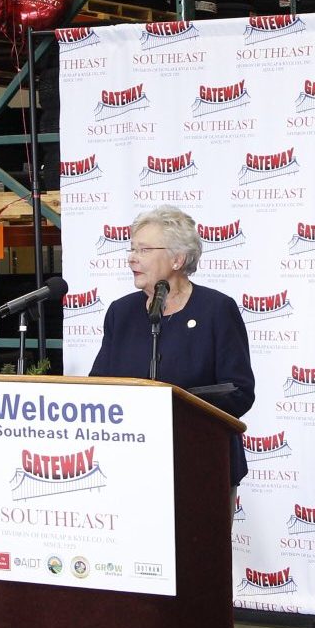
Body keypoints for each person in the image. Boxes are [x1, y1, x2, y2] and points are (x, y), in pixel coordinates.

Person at [89, 205, 256, 483]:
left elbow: (239, 392)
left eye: (144, 250)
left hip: (202, 463)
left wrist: (177, 405)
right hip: (131, 464)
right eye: (132, 249)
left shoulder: (216, 309)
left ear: (177, 259)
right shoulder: (121, 312)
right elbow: (99, 384)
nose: (132, 258)